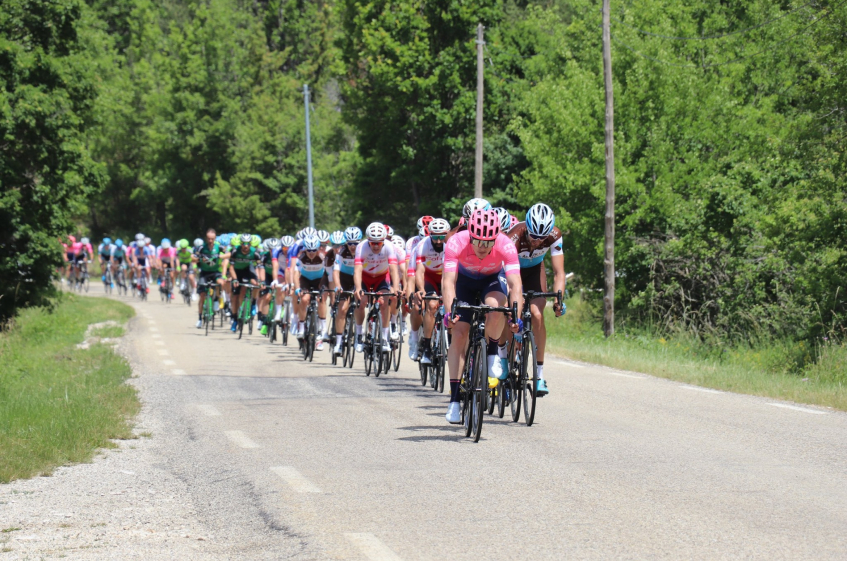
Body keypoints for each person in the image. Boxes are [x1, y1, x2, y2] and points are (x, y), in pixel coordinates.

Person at [441, 209, 523, 424]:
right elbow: (448, 282)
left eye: (489, 242)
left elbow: (515, 285)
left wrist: (516, 316)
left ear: (496, 237)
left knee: (497, 307)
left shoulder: (506, 245)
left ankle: (493, 351)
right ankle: (455, 400)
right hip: (463, 283)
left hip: (491, 280)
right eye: (479, 242)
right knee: (459, 333)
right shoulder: (456, 242)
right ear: (471, 235)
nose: (483, 247)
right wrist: (450, 313)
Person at [505, 203, 566, 396]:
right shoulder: (514, 235)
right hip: (513, 272)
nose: (537, 242)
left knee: (537, 314)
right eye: (533, 236)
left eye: (542, 238)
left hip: (534, 271)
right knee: (514, 311)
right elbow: (507, 277)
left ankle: (539, 375)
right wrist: (511, 305)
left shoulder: (555, 235)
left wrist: (558, 300)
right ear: (527, 229)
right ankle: (505, 368)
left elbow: (559, 273)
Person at [354, 223, 400, 354]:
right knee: (361, 302)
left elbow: (393, 269)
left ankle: (385, 338)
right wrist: (358, 288)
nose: (375, 246)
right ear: (368, 240)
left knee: (385, 303)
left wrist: (395, 288)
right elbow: (357, 270)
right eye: (372, 243)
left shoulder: (389, 246)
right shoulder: (361, 247)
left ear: (383, 241)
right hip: (365, 277)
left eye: (378, 243)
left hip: (381, 278)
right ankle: (358, 335)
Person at [413, 218, 450, 364]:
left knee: (450, 304)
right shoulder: (423, 246)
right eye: (435, 237)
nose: (439, 241)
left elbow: (449, 273)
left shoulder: (451, 245)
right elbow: (420, 271)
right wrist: (421, 289)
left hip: (446, 276)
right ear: (430, 236)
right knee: (432, 304)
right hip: (429, 276)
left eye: (442, 236)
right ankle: (427, 347)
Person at [293, 235, 328, 347]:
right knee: (304, 299)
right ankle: (302, 328)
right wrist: (297, 288)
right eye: (309, 250)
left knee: (321, 299)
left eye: (314, 250)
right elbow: (296, 273)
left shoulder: (322, 257)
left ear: (318, 248)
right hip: (305, 280)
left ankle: (323, 329)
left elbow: (329, 273)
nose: (311, 253)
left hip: (319, 280)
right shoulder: (301, 257)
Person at [332, 227, 361, 355]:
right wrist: (338, 286)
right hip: (344, 279)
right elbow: (336, 271)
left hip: (358, 279)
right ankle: (338, 343)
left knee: (361, 306)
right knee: (342, 309)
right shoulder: (342, 251)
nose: (353, 246)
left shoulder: (364, 250)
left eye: (356, 243)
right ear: (346, 243)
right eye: (350, 243)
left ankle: (361, 333)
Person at [192, 229, 229, 328]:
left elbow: (229, 254)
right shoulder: (201, 248)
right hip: (204, 273)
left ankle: (216, 299)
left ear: (215, 238)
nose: (210, 241)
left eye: (212, 239)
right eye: (208, 239)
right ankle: (200, 318)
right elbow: (192, 258)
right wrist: (199, 259)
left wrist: (219, 256)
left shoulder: (219, 247)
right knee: (202, 296)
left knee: (221, 283)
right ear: (206, 238)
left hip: (215, 272)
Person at [228, 234, 263, 332]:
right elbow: (231, 268)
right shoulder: (235, 251)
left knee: (254, 285)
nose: (246, 245)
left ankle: (253, 303)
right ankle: (234, 319)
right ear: (241, 244)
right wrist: (234, 279)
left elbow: (260, 267)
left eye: (248, 243)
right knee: (235, 297)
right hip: (236, 272)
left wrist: (260, 279)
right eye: (244, 243)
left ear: (250, 244)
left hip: (248, 271)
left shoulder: (255, 253)